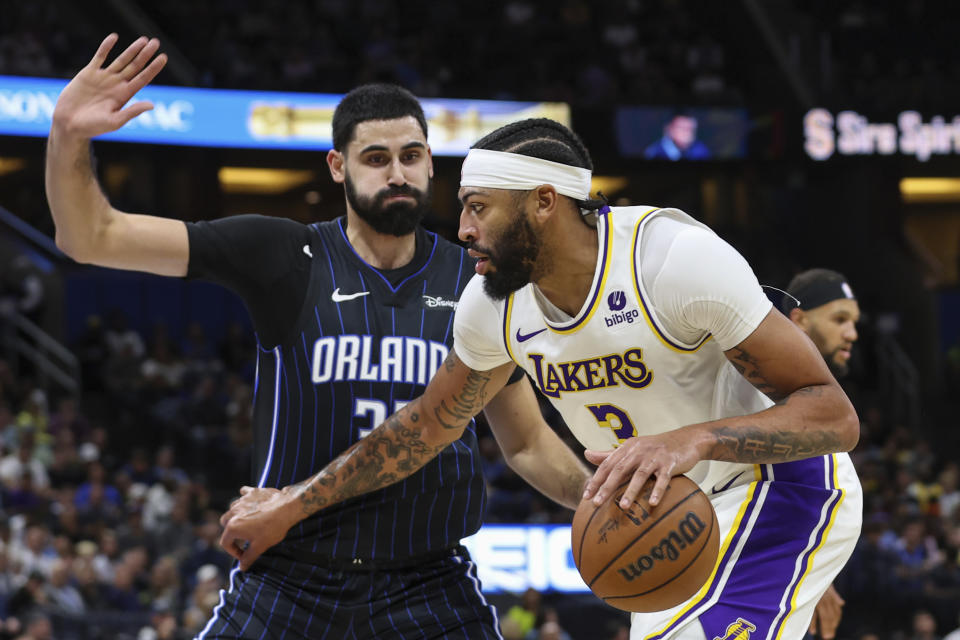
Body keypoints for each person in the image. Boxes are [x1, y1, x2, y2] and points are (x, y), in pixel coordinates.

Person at [222, 117, 864, 639]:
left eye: (478, 208)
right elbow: (423, 428)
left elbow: (833, 416)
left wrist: (692, 440)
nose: (462, 229)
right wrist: (292, 505)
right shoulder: (492, 305)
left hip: (782, 488)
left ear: (544, 203)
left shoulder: (670, 260)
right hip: (675, 516)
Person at [45, 35, 591, 638]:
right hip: (288, 577)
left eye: (412, 155)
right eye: (376, 159)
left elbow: (525, 443)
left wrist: (596, 498)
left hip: (429, 582)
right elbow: (90, 236)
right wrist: (68, 134)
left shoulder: (476, 279)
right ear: (338, 166)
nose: (398, 173)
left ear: (433, 162)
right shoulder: (283, 254)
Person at [783, 269, 860, 640]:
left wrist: (814, 574)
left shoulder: (816, 396)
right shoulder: (759, 387)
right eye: (839, 319)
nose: (852, 334)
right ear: (799, 320)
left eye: (854, 322)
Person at [643, 112, 711, 161]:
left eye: (690, 129)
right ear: (669, 129)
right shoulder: (655, 152)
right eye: (682, 128)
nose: (687, 133)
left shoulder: (702, 151)